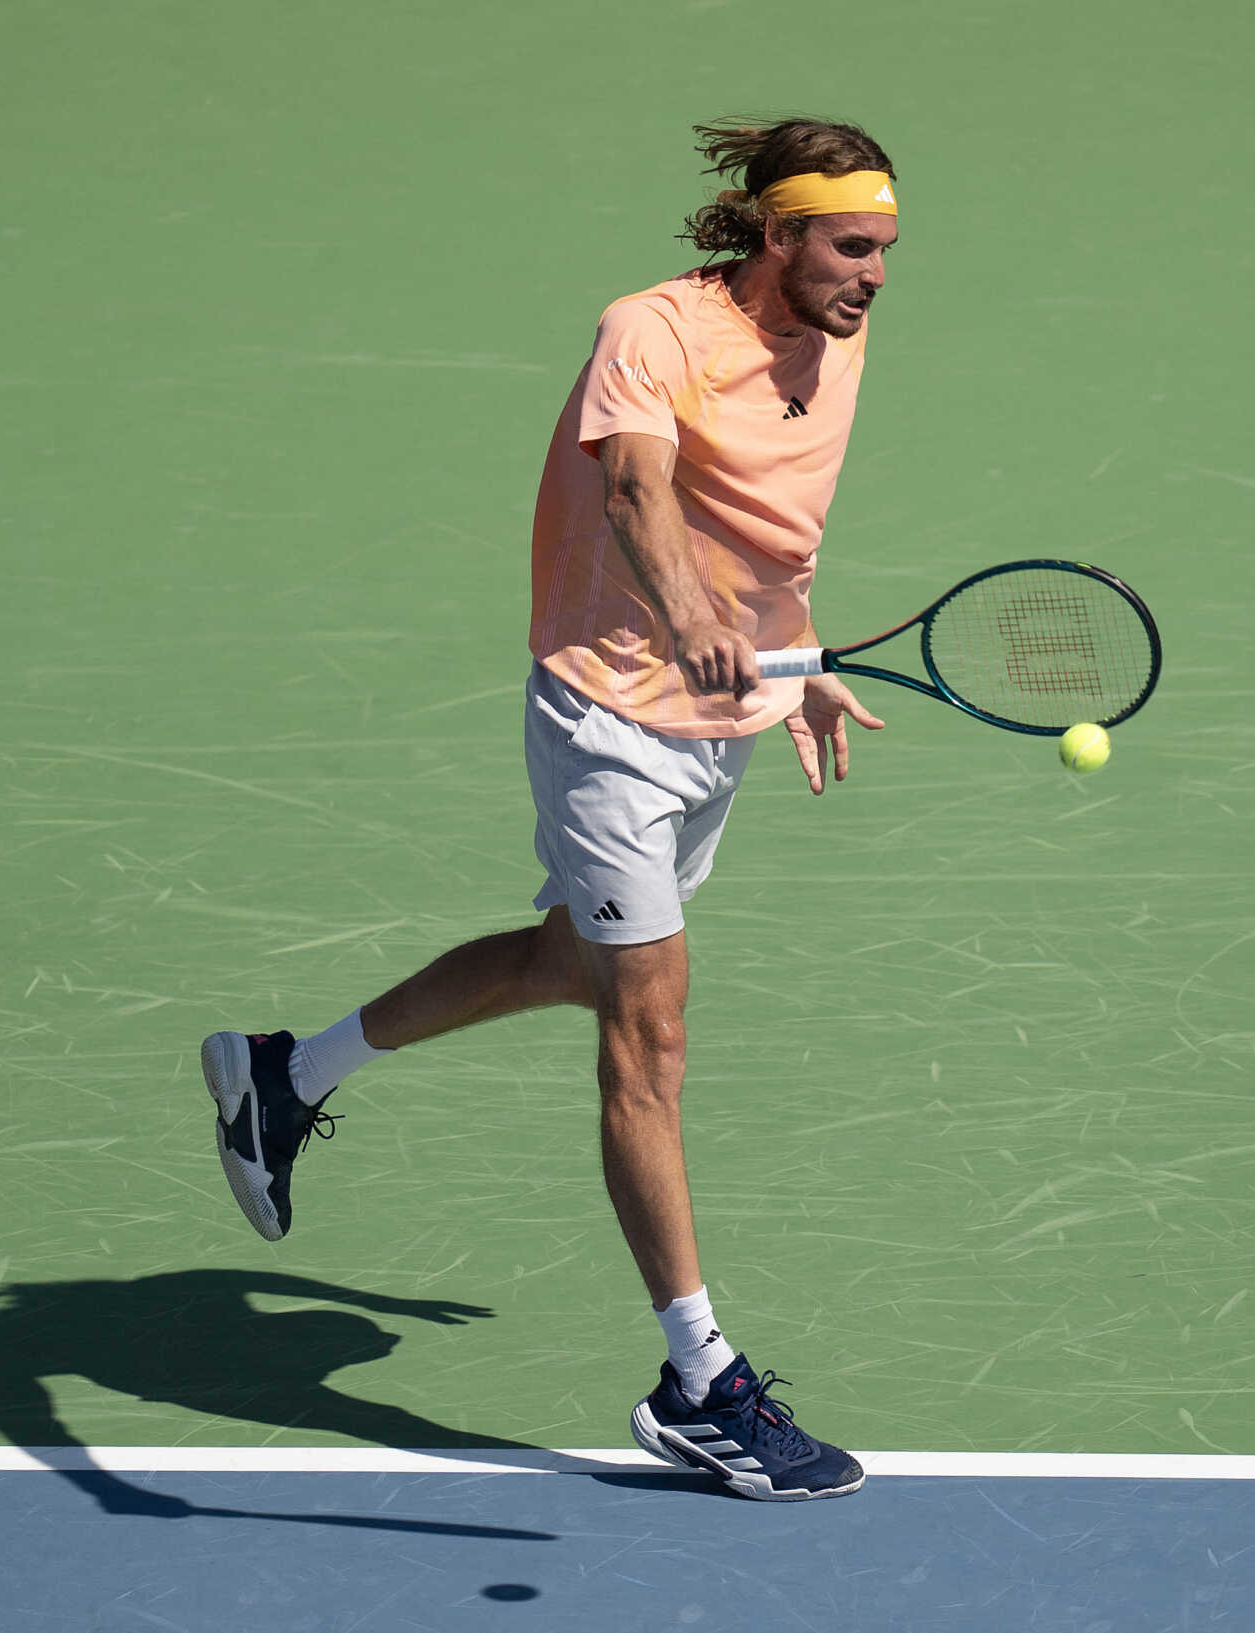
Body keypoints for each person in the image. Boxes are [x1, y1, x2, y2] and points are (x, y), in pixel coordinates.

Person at [203, 116, 899, 1502]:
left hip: (729, 716)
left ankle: (284, 1077)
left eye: (886, 250)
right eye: (849, 245)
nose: (873, 275)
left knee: (571, 965)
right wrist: (688, 611)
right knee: (650, 1027)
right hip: (609, 716)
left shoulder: (839, 340)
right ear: (777, 232)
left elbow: (767, 521)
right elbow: (640, 489)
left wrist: (799, 655)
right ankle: (700, 1379)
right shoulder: (648, 329)